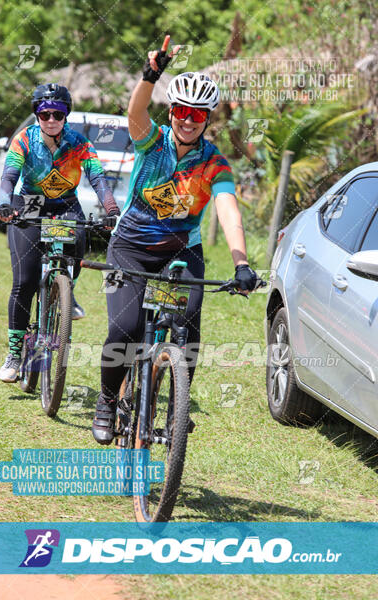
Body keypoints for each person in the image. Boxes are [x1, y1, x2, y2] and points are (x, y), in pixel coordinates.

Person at [92, 36, 258, 445]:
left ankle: (176, 406)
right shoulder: (152, 141)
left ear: (206, 120)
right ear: (172, 112)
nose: (188, 120)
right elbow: (135, 110)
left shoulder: (214, 163)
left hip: (182, 252)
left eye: (196, 115)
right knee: (124, 329)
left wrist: (241, 263)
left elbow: (228, 210)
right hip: (130, 246)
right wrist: (152, 74)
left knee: (188, 329)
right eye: (181, 111)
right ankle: (108, 400)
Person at [0, 83, 119, 383]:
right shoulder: (24, 140)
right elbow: (9, 176)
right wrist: (4, 203)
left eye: (58, 114)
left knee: (78, 239)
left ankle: (66, 291)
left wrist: (111, 208)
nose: (51, 119)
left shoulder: (79, 143)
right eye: (45, 114)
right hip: (28, 205)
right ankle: (14, 353)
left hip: (66, 206)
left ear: (66, 115)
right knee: (24, 281)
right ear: (37, 115)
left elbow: (98, 177)